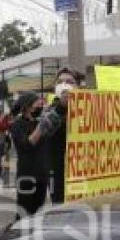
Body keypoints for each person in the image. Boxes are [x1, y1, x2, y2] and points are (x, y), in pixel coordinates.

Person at [9, 92, 57, 217]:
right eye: (38, 104)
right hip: (27, 175)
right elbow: (27, 145)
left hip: (42, 174)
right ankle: (17, 235)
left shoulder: (40, 122)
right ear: (28, 107)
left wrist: (53, 120)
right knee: (24, 213)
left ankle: (32, 236)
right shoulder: (17, 125)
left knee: (37, 213)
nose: (40, 107)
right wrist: (41, 127)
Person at [44, 68, 81, 205]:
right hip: (56, 170)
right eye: (60, 82)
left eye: (69, 82)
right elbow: (44, 130)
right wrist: (61, 107)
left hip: (81, 171)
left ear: (78, 86)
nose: (64, 85)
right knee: (59, 207)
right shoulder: (49, 109)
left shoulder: (89, 108)